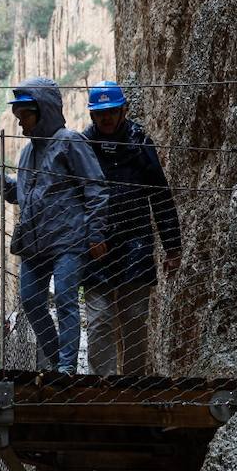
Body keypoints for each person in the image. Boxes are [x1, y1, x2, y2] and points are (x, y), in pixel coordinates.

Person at [0, 76, 109, 373]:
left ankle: (66, 368)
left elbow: (96, 188)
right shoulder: (28, 152)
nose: (20, 123)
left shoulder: (70, 142)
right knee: (30, 300)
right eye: (18, 116)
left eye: (25, 115)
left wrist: (95, 234)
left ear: (44, 110)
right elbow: (23, 192)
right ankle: (57, 362)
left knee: (67, 300)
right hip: (34, 241)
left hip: (68, 239)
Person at [82, 81, 182, 376]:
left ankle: (134, 386)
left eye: (112, 111)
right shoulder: (84, 147)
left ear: (123, 109)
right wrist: (88, 236)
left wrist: (172, 246)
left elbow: (160, 195)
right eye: (101, 113)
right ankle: (102, 388)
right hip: (96, 247)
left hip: (136, 244)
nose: (107, 118)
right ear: (92, 116)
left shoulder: (140, 143)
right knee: (100, 321)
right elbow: (74, 198)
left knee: (134, 319)